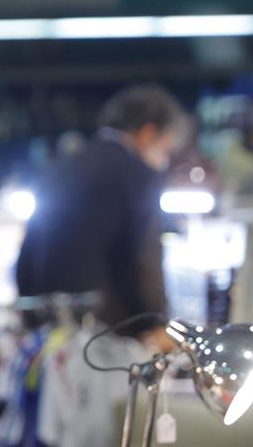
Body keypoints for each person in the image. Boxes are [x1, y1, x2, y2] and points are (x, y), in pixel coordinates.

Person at [14, 84, 186, 327]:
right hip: (107, 331)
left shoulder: (61, 165)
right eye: (166, 147)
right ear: (148, 133)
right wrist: (157, 322)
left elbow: (28, 250)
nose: (164, 158)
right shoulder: (138, 174)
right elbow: (142, 261)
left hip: (48, 325)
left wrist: (30, 317)